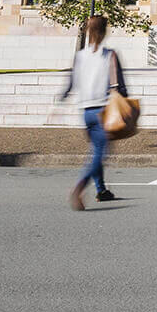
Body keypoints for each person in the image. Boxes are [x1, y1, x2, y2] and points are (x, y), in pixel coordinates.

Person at [60, 15, 123, 210]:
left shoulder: (80, 55)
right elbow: (118, 84)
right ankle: (80, 186)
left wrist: (62, 98)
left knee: (96, 150)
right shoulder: (109, 55)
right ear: (104, 32)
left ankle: (101, 189)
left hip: (85, 110)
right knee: (100, 153)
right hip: (102, 110)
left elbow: (70, 83)